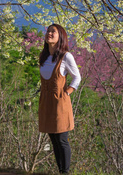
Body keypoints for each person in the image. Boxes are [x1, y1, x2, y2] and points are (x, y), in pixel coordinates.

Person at [38, 24, 81, 174]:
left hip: (60, 102)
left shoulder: (66, 56)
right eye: (48, 31)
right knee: (54, 140)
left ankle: (65, 172)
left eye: (53, 32)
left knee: (62, 139)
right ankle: (60, 171)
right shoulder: (43, 56)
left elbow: (77, 77)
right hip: (46, 102)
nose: (49, 33)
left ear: (60, 36)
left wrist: (67, 92)